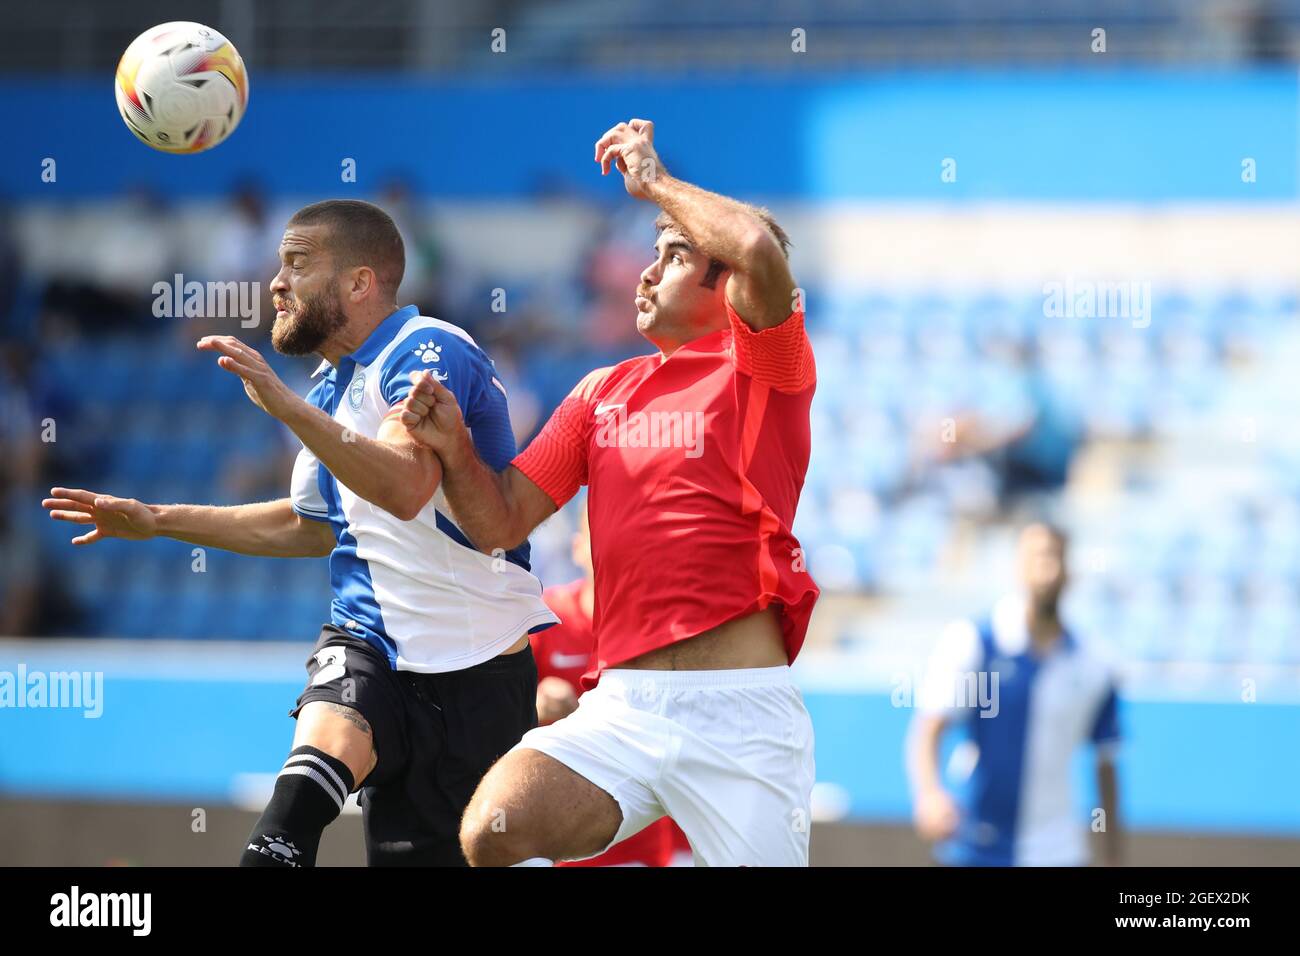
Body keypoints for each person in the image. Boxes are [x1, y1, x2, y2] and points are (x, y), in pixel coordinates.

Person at [43, 199, 556, 866]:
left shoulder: (427, 349)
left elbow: (405, 486)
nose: (275, 283)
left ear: (359, 283)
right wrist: (160, 520)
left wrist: (283, 406)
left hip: (482, 673)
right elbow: (312, 528)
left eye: (296, 265)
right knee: (285, 829)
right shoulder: (327, 394)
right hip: (369, 648)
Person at [400, 118, 819, 866]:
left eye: (674, 257)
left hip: (742, 715)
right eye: (650, 257)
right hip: (624, 707)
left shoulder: (763, 367)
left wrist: (653, 182)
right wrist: (455, 449)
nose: (646, 273)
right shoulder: (601, 391)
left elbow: (755, 246)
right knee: (493, 829)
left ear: (730, 290)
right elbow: (500, 521)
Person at [907, 523, 1123, 866]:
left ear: (1070, 571)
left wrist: (1112, 855)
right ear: (1018, 566)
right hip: (977, 844)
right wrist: (929, 794)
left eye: (1055, 557)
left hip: (1058, 851)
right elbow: (930, 724)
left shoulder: (1092, 662)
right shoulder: (976, 642)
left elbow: (1106, 761)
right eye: (1038, 558)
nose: (1047, 570)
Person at [532, 502, 690, 867]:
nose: (611, 551)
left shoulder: (666, 629)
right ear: (578, 546)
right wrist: (537, 707)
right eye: (598, 538)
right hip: (555, 844)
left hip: (643, 848)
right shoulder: (542, 619)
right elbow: (497, 721)